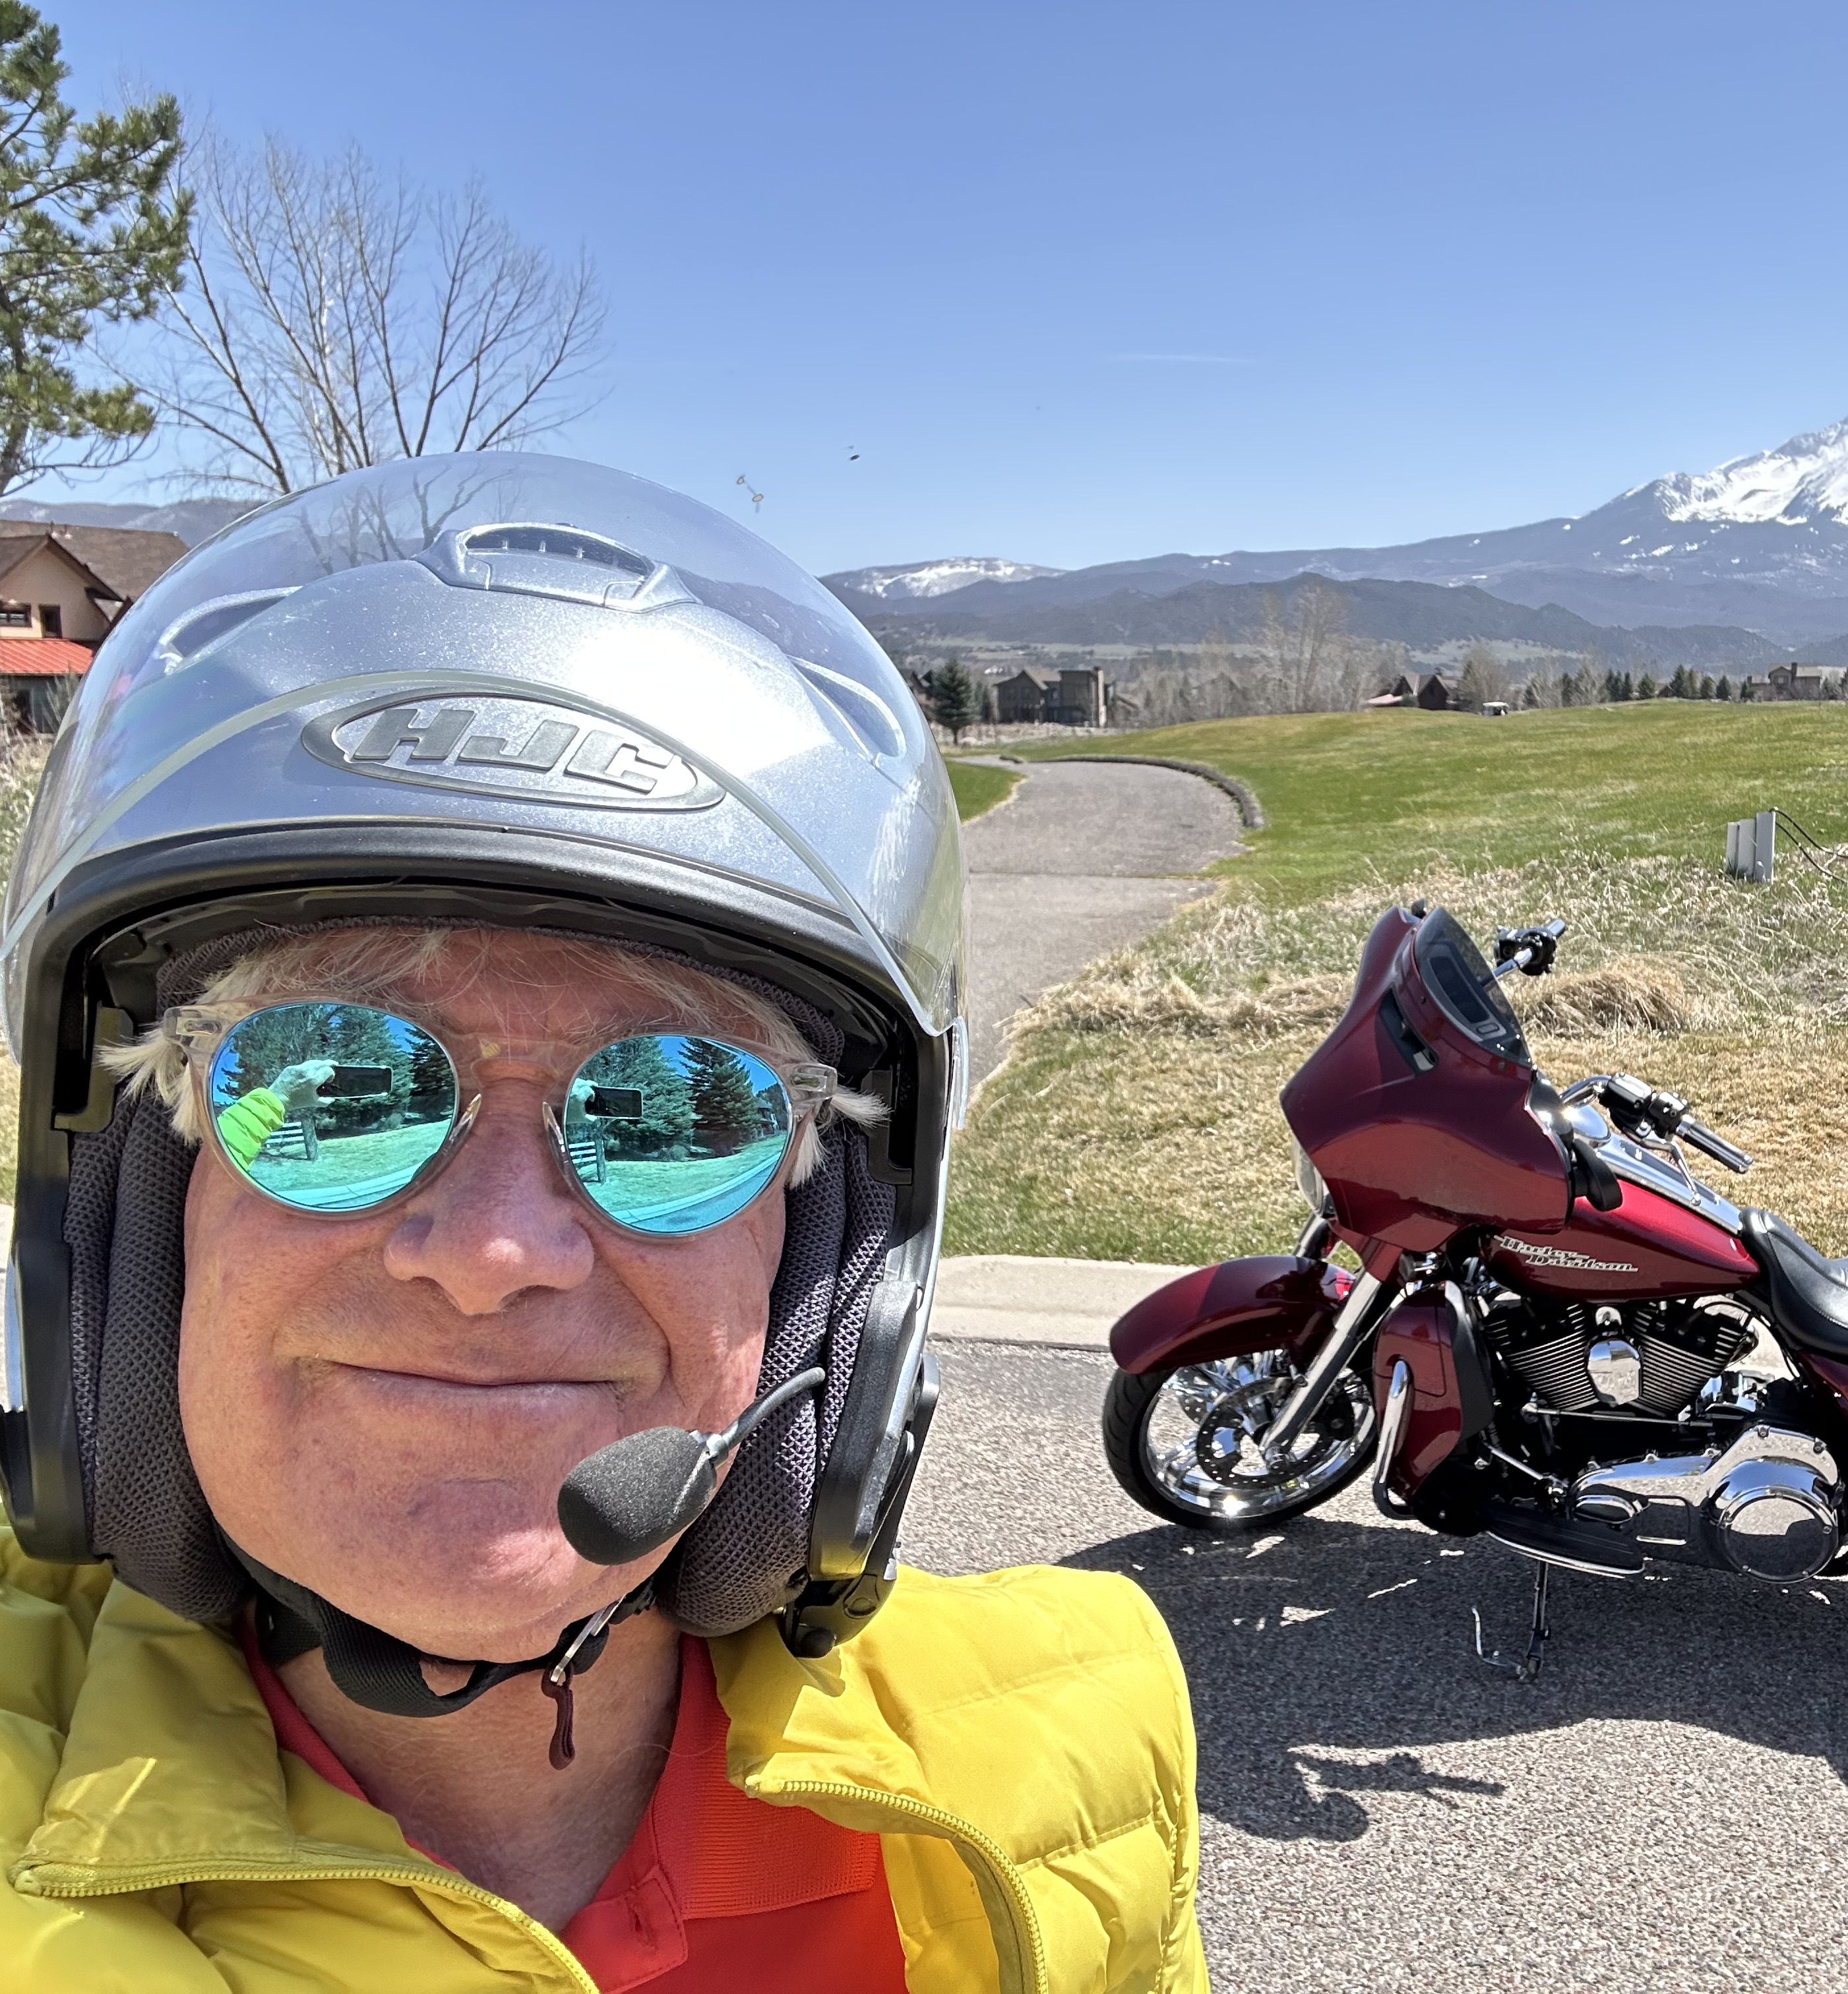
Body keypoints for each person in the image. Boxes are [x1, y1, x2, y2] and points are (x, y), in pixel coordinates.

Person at [0, 457, 1206, 1991]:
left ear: (832, 1260)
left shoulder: (1079, 1783)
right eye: (334, 1084)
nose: (494, 1254)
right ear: (141, 1211)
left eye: (675, 1112)